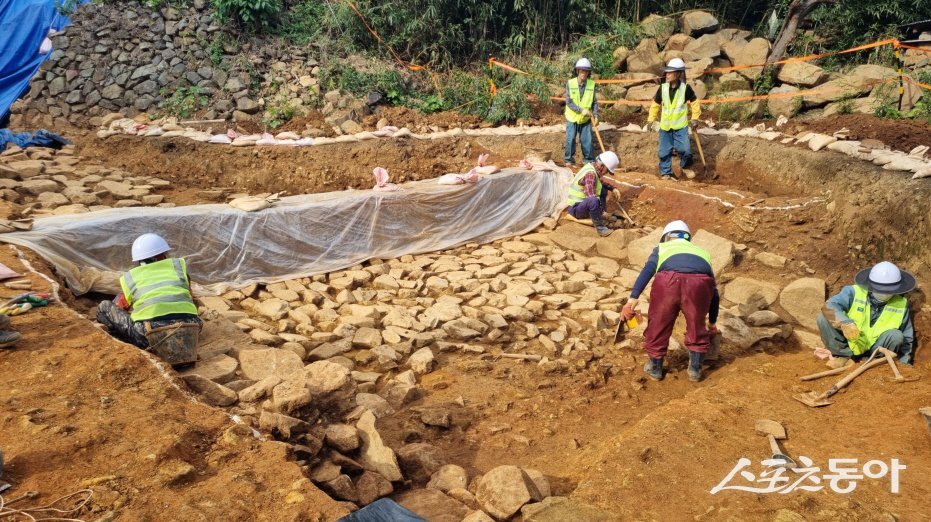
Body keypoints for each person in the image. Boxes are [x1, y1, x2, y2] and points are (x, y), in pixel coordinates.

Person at [621, 220, 719, 382]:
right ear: (687, 238)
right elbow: (714, 293)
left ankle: (655, 368)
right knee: (697, 324)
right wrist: (713, 323)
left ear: (666, 237)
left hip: (668, 283)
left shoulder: (662, 248)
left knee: (658, 323)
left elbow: (647, 272)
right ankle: (695, 370)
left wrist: (633, 299)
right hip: (699, 284)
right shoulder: (703, 253)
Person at [97, 233, 202, 366]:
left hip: (149, 334)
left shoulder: (131, 277)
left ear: (139, 261)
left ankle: (126, 348)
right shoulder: (178, 268)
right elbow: (189, 296)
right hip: (190, 327)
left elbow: (119, 306)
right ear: (163, 255)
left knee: (104, 307)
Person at [817, 261, 915, 367]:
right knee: (823, 318)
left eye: (889, 290)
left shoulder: (901, 304)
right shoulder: (853, 292)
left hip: (876, 351)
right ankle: (844, 357)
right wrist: (845, 322)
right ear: (871, 284)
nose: (885, 293)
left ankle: (871, 363)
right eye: (881, 289)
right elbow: (829, 306)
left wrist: (905, 362)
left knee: (896, 336)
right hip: (850, 345)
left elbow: (907, 336)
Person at [647, 58, 701, 180]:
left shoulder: (685, 89)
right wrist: (650, 120)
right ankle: (666, 172)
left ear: (678, 74)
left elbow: (695, 103)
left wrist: (695, 118)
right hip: (665, 127)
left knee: (685, 150)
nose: (667, 75)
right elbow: (655, 104)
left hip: (680, 127)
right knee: (663, 152)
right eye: (667, 72)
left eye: (670, 72)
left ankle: (685, 166)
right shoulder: (663, 88)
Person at [566, 151, 620, 237]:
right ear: (603, 166)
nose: (606, 173)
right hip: (576, 209)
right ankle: (600, 227)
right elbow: (590, 196)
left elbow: (600, 183)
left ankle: (599, 216)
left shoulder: (593, 168)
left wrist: (613, 188)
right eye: (607, 170)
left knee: (602, 189)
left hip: (581, 205)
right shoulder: (591, 174)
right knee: (593, 200)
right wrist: (602, 212)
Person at [564, 57, 600, 167]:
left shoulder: (591, 85)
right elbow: (569, 102)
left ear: (588, 72)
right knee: (570, 140)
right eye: (581, 71)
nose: (583, 73)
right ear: (578, 71)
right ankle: (569, 160)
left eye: (586, 71)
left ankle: (588, 161)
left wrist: (596, 115)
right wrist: (581, 110)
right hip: (572, 117)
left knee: (587, 141)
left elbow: (594, 102)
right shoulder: (570, 84)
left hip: (586, 119)